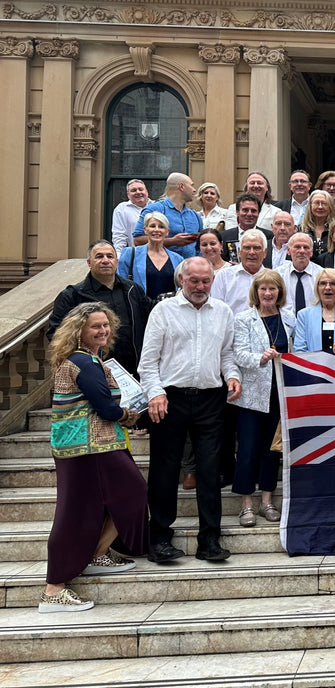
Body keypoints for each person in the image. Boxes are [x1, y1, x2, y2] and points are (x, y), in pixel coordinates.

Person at [39, 302, 147, 613]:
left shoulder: (84, 360)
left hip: (90, 446)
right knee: (76, 512)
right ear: (79, 332)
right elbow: (106, 407)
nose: (103, 330)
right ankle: (53, 590)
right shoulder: (84, 363)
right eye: (95, 326)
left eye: (105, 325)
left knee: (118, 498)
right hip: (89, 448)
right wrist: (127, 415)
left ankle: (97, 553)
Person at [139, 256, 242, 563]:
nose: (200, 286)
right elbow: (148, 362)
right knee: (164, 470)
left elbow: (226, 355)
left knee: (210, 471)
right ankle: (159, 538)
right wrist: (155, 394)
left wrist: (233, 376)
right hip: (170, 398)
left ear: (213, 280)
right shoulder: (163, 311)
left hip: (211, 400)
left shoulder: (223, 312)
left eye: (205, 281)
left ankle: (210, 539)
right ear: (181, 280)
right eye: (194, 280)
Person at [230, 269, 294, 527]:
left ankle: (267, 500)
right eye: (263, 289)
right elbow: (238, 354)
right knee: (247, 450)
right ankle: (246, 503)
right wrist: (261, 358)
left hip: (280, 396)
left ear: (280, 292)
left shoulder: (289, 318)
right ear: (255, 292)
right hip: (252, 396)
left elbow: (296, 350)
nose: (268, 293)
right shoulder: (243, 318)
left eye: (273, 289)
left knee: (272, 451)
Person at [49, 240, 152, 375]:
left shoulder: (133, 290)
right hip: (93, 373)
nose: (105, 260)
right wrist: (84, 362)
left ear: (116, 261)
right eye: (99, 256)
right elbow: (56, 334)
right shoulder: (72, 296)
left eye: (110, 256)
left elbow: (153, 318)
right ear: (89, 263)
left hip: (135, 372)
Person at [132, 172, 202, 258]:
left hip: (190, 268)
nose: (194, 190)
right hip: (162, 268)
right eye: (192, 185)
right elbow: (137, 241)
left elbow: (200, 246)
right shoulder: (154, 210)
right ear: (181, 186)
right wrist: (172, 241)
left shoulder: (195, 216)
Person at [117, 211, 184, 300]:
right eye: (152, 226)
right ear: (145, 230)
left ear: (167, 232)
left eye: (161, 227)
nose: (157, 230)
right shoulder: (130, 254)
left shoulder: (178, 259)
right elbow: (119, 285)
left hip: (169, 310)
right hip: (140, 310)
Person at [211, 228, 270, 314]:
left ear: (265, 253)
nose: (251, 252)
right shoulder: (224, 277)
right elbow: (216, 311)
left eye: (257, 248)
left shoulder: (274, 279)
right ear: (239, 252)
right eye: (247, 248)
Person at [275, 232, 323, 314]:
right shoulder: (277, 275)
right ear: (288, 250)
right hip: (284, 324)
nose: (302, 251)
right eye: (297, 247)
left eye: (306, 247)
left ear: (311, 252)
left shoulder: (321, 275)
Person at [220, 193, 273, 264]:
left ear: (259, 213)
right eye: (245, 210)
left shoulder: (269, 236)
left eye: (253, 211)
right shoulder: (224, 236)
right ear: (237, 212)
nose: (249, 214)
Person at [111, 179, 153, 255]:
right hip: (135, 255)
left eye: (141, 189)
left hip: (158, 254)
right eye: (133, 190)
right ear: (128, 195)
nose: (138, 192)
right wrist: (119, 256)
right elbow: (119, 236)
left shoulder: (157, 206)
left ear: (146, 192)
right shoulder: (121, 209)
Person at [299, 189, 334, 257]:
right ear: (310, 206)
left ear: (330, 207)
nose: (320, 207)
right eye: (316, 203)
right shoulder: (300, 229)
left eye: (324, 203)